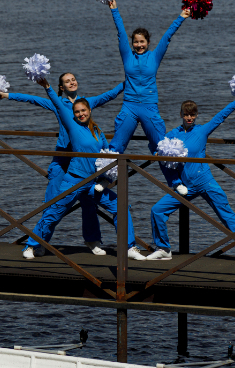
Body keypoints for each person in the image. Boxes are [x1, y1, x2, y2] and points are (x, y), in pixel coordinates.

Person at [22, 76, 146, 260]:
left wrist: (105, 179)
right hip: (73, 180)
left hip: (93, 184)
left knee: (121, 207)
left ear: (89, 111)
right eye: (77, 112)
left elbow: (107, 157)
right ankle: (31, 245)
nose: (81, 114)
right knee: (53, 213)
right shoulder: (72, 126)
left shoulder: (97, 131)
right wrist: (47, 86)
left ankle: (129, 247)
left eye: (83, 111)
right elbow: (57, 104)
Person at [0, 73, 122, 255]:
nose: (72, 82)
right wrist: (6, 95)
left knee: (89, 203)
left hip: (82, 160)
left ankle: (92, 241)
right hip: (62, 159)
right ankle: (39, 243)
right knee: (53, 203)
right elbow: (32, 99)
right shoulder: (58, 104)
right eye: (67, 81)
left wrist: (129, 82)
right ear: (61, 87)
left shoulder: (86, 103)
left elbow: (108, 95)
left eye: (73, 79)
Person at [146, 91, 235, 265]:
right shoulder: (172, 134)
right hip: (184, 187)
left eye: (192, 115)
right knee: (157, 210)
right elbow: (158, 149)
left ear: (196, 115)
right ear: (181, 115)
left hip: (206, 182)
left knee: (227, 216)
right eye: (186, 114)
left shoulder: (202, 130)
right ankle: (163, 249)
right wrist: (157, 155)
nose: (189, 118)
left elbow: (221, 115)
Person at [106, 0, 190, 154]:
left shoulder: (154, 56)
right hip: (129, 106)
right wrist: (114, 9)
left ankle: (174, 179)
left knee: (162, 148)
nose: (139, 45)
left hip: (149, 106)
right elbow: (121, 33)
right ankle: (105, 178)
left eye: (142, 42)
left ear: (148, 42)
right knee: (115, 147)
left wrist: (181, 18)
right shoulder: (127, 56)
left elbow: (167, 37)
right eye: (136, 42)